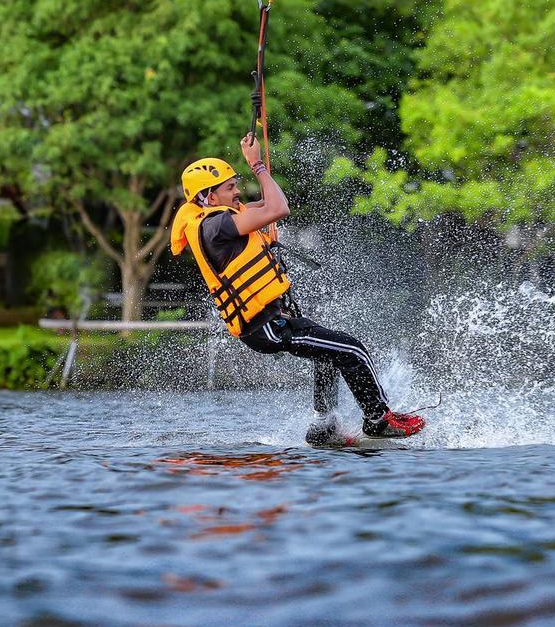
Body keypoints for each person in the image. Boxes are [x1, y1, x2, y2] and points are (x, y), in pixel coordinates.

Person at [170, 133, 426, 444]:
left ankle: (323, 427)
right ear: (209, 197)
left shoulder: (221, 219)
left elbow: (271, 201)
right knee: (351, 349)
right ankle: (377, 418)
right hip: (268, 326)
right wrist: (258, 166)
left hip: (274, 321)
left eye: (237, 184)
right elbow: (279, 208)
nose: (238, 191)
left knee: (328, 355)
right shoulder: (214, 226)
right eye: (230, 187)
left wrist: (262, 179)